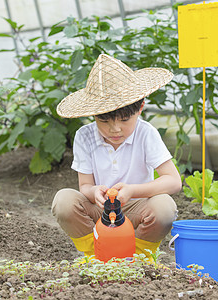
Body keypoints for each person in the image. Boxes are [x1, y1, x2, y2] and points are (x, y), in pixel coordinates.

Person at [52, 54, 182, 260]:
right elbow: (84, 186)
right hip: (100, 210)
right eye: (104, 121)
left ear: (140, 108)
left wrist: (132, 191)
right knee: (64, 201)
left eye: (124, 119)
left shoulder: (145, 134)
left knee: (164, 207)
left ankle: (138, 257)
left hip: (137, 207)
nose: (115, 129)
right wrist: (94, 191)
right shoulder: (84, 136)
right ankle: (95, 255)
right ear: (93, 115)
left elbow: (173, 181)